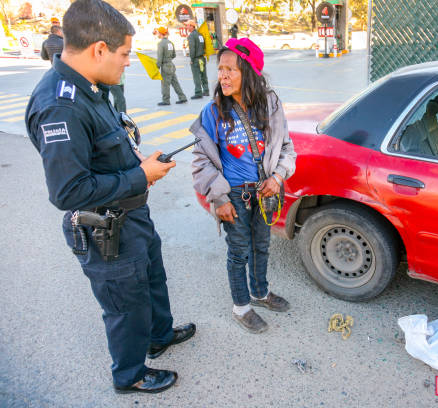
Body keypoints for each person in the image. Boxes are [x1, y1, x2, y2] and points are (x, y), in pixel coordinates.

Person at [25, 0, 195, 394]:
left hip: (131, 215)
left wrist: (136, 164)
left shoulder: (88, 87)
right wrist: (138, 176)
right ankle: (130, 374)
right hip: (107, 229)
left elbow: (106, 143)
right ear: (99, 49)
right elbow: (69, 192)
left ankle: (159, 335)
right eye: (124, 54)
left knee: (152, 278)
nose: (128, 62)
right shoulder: (60, 106)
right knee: (126, 304)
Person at [191, 38, 297, 333]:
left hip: (265, 192)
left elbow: (287, 149)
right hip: (234, 196)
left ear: (248, 73)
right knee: (239, 252)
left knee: (261, 246)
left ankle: (260, 293)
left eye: (230, 70)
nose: (222, 76)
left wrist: (277, 178)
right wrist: (219, 198)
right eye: (220, 69)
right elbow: (200, 162)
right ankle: (241, 307)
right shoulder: (212, 113)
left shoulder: (270, 105)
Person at [155, 26, 187, 106]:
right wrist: (168, 59)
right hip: (171, 65)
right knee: (175, 83)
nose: (157, 34)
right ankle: (182, 97)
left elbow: (160, 57)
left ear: (161, 33)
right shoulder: (170, 43)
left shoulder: (161, 44)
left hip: (165, 66)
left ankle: (166, 100)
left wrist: (157, 67)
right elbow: (174, 55)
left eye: (158, 33)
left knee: (165, 84)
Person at [185, 20, 209, 99]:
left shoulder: (191, 36)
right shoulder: (200, 35)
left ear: (192, 26)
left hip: (195, 59)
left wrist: (191, 59)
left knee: (196, 76)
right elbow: (204, 45)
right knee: (203, 75)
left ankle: (198, 92)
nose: (186, 27)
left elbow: (192, 48)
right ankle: (206, 91)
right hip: (202, 58)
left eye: (188, 25)